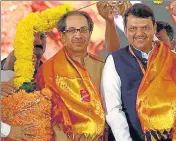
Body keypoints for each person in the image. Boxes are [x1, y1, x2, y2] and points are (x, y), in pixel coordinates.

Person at [101, 3, 176, 141]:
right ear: (125, 29)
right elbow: (113, 111)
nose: (139, 34)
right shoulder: (114, 61)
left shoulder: (171, 58)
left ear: (154, 28)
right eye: (133, 29)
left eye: (145, 28)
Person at [1, 32, 47, 140]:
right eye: (32, 35)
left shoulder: (51, 74)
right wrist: (7, 131)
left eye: (42, 36)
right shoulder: (5, 77)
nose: (38, 41)